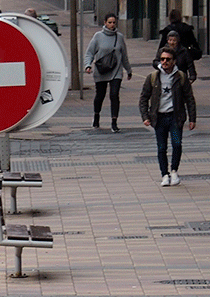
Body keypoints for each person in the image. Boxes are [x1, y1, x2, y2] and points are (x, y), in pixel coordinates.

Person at [139, 46, 197, 187]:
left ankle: (174, 171)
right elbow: (143, 98)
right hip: (159, 119)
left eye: (168, 59)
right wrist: (145, 116)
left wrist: (192, 118)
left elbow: (189, 98)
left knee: (176, 144)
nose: (164, 62)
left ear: (174, 61)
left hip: (175, 118)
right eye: (162, 59)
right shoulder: (153, 77)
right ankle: (164, 174)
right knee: (161, 147)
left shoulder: (181, 77)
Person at [84, 12, 132, 132]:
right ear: (105, 23)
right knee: (100, 95)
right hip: (101, 70)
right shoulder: (98, 36)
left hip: (116, 71)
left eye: (114, 23)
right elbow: (90, 52)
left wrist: (129, 70)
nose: (112, 25)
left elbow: (124, 55)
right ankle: (96, 116)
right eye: (109, 22)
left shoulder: (119, 37)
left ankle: (114, 122)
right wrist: (88, 65)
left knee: (114, 94)